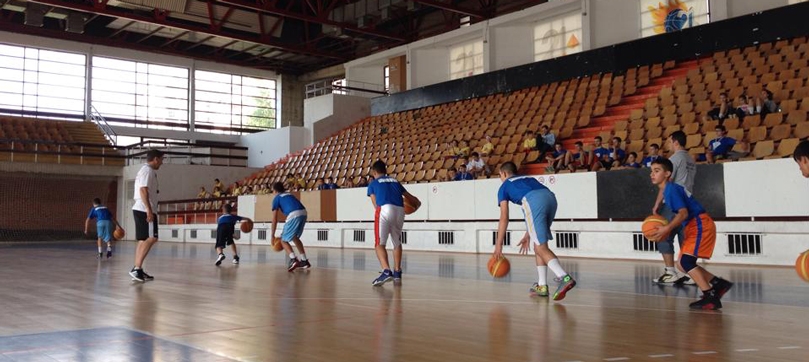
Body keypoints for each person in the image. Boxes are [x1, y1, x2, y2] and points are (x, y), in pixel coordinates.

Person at [648, 158, 733, 309]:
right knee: (681, 265)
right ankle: (718, 284)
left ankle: (710, 296)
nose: (652, 174)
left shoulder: (671, 189)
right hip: (695, 226)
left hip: (700, 224)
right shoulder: (669, 189)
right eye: (651, 171)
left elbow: (683, 213)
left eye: (657, 171)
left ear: (667, 174)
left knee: (686, 263)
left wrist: (667, 229)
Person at [493, 162, 576, 301]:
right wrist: (528, 234)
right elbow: (536, 206)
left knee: (541, 247)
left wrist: (498, 244)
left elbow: (504, 217)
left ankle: (564, 277)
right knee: (539, 245)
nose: (500, 178)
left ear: (504, 173)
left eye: (500, 175)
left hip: (534, 200)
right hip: (550, 198)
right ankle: (542, 286)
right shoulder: (527, 178)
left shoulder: (504, 186)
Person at [651, 131, 695, 285]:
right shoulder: (690, 159)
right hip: (688, 201)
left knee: (663, 235)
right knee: (686, 237)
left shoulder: (675, 158)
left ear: (675, 142)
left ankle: (670, 272)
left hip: (674, 202)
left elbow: (665, 183)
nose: (668, 145)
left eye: (670, 141)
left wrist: (657, 203)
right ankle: (689, 273)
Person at [367, 160, 420, 286]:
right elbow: (409, 197)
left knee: (379, 243)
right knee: (396, 241)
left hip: (384, 209)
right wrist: (416, 205)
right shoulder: (395, 181)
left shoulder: (373, 183)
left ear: (374, 172)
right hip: (400, 210)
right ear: (385, 170)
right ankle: (397, 272)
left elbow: (375, 204)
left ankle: (386, 271)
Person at [129, 149, 164, 282]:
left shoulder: (146, 170)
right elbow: (143, 190)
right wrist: (149, 210)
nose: (162, 162)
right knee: (151, 238)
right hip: (144, 209)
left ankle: (138, 269)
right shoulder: (147, 170)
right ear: (155, 159)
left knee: (143, 239)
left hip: (141, 208)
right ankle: (137, 268)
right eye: (161, 159)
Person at [271, 182, 311, 271]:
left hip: (294, 214)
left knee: (283, 240)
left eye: (272, 190)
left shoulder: (276, 198)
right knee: (294, 237)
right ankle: (304, 260)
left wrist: (272, 235)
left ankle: (293, 259)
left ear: (275, 190)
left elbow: (274, 219)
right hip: (303, 212)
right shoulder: (289, 194)